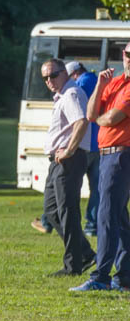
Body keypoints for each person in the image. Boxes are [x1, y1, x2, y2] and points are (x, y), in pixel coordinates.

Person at [73, 46, 130, 292]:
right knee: (118, 217)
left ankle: (101, 276)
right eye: (127, 54)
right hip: (108, 154)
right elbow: (90, 113)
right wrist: (99, 84)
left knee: (106, 216)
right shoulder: (115, 81)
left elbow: (109, 119)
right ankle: (125, 275)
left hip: (121, 154)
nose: (128, 58)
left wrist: (99, 116)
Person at [36, 59, 95, 277]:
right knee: (52, 211)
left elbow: (81, 122)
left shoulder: (71, 94)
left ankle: (74, 265)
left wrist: (70, 150)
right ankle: (86, 254)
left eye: (53, 75)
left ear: (66, 73)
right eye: (45, 78)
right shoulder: (62, 96)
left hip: (68, 160)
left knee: (67, 212)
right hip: (58, 161)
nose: (49, 81)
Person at [68, 61, 100, 236]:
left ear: (74, 74)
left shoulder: (78, 85)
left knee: (68, 184)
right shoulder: (99, 81)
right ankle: (92, 225)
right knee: (97, 188)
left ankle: (51, 220)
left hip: (84, 144)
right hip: (100, 144)